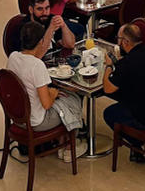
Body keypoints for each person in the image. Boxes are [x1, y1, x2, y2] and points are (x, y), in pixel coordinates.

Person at [6, 21, 87, 158]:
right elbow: (47, 104)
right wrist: (53, 94)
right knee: (73, 100)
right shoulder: (37, 66)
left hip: (18, 118)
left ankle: (62, 140)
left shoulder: (13, 57)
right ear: (41, 42)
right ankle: (69, 147)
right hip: (37, 122)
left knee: (62, 99)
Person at [103, 23, 145, 162]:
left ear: (125, 42)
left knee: (109, 113)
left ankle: (139, 142)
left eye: (119, 39)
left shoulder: (127, 64)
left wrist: (108, 65)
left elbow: (108, 88)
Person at [7, 0, 76, 53]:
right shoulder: (24, 28)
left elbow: (70, 45)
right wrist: (50, 29)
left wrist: (63, 26)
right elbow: (37, 55)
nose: (45, 12)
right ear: (31, 10)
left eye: (47, 8)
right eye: (40, 9)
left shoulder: (50, 19)